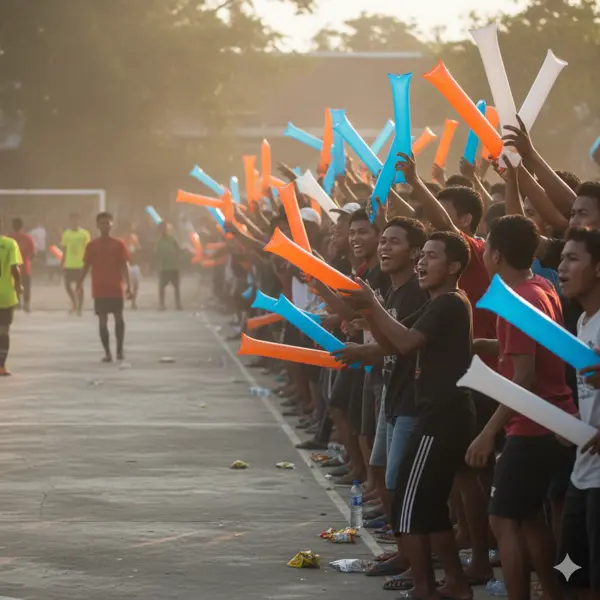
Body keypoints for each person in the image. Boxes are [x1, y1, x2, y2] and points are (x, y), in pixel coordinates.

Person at [341, 231, 475, 600]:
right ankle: (454, 584)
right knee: (426, 506)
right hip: (437, 415)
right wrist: (368, 313)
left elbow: (405, 342)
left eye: (431, 256)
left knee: (409, 504)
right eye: (423, 255)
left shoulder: (449, 303)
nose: (421, 262)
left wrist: (372, 302)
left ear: (454, 266)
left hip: (441, 417)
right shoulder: (437, 304)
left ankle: (424, 587)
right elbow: (392, 344)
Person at [466, 215, 577, 600]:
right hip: (555, 418)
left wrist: (488, 432)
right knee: (529, 517)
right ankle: (551, 592)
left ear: (496, 254)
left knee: (502, 519)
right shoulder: (541, 286)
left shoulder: (516, 301)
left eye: (486, 247)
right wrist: (492, 346)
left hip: (532, 425)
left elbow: (525, 378)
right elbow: (537, 349)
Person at [556, 227, 600, 598]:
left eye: (573, 259)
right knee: (570, 577)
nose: (562, 268)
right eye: (561, 258)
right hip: (582, 473)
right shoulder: (584, 323)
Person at [79, 212, 131, 362]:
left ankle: (119, 351)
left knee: (119, 319)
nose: (105, 226)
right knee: (102, 321)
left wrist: (129, 285)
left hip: (116, 288)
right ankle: (107, 352)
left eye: (108, 223)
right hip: (100, 289)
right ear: (97, 225)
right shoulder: (92, 246)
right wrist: (80, 282)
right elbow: (86, 266)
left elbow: (124, 265)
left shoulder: (119, 244)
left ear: (112, 224)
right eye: (102, 223)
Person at [0, 218, 23, 376]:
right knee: (3, 330)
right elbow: (15, 268)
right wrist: (18, 286)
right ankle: (1, 366)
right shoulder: (9, 244)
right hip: (5, 295)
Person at [61, 212, 91, 315]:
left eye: (76, 219)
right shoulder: (66, 233)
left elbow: (88, 249)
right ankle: (74, 303)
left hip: (80, 264)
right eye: (73, 219)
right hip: (69, 263)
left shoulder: (84, 234)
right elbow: (65, 248)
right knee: (67, 285)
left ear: (79, 220)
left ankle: (80, 308)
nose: (75, 221)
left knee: (79, 286)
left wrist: (88, 262)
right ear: (70, 221)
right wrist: (63, 261)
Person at [9, 218, 35, 312]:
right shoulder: (28, 238)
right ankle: (26, 303)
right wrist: (28, 260)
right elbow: (33, 253)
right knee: (26, 285)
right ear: (22, 226)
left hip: (13, 266)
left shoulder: (9, 238)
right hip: (25, 266)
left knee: (14, 284)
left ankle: (17, 302)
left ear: (12, 226)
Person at [156, 222, 182, 311]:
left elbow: (178, 250)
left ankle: (178, 304)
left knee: (176, 286)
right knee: (162, 286)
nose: (164, 231)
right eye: (162, 229)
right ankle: (162, 304)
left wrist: (177, 259)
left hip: (173, 266)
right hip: (164, 267)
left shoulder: (173, 239)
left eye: (165, 229)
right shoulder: (159, 241)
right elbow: (157, 254)